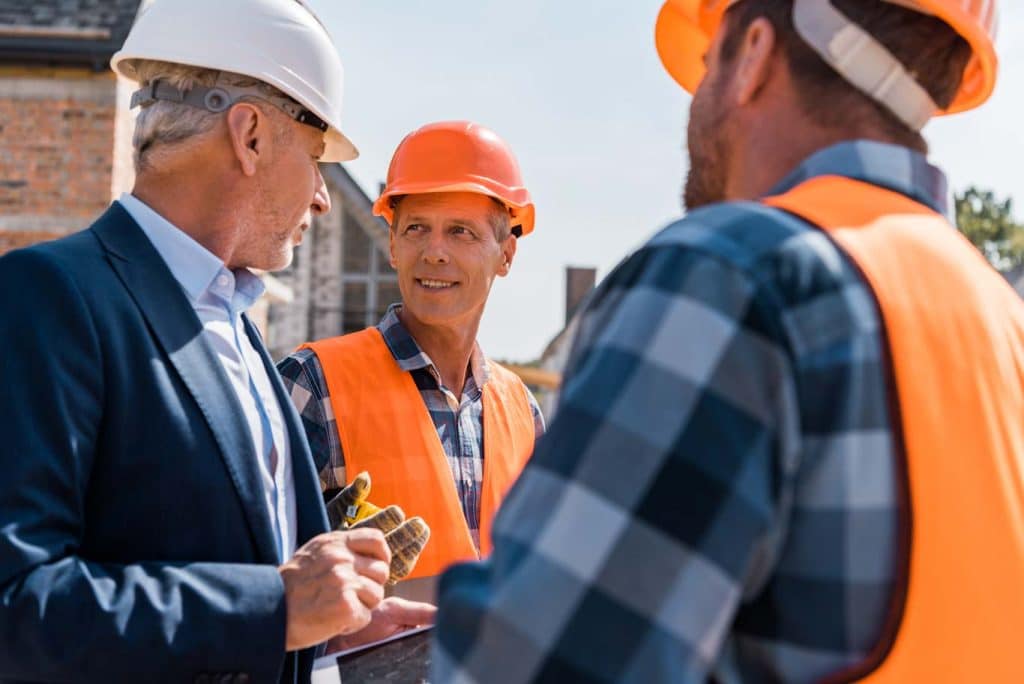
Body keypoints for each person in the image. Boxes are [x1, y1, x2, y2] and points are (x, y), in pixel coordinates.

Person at [432, 1, 1023, 682]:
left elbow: (536, 667)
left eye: (709, 62)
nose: (697, 97)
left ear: (755, 56)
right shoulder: (1000, 319)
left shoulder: (733, 275)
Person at [0, 0, 428, 681]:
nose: (322, 196)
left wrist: (331, 628)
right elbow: (17, 606)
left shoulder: (235, 323)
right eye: (316, 156)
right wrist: (276, 607)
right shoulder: (48, 298)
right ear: (251, 136)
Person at [279, 121, 545, 603]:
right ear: (393, 247)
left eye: (461, 232)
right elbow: (253, 582)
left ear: (505, 254)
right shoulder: (313, 384)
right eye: (416, 228)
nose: (434, 252)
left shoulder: (522, 414)